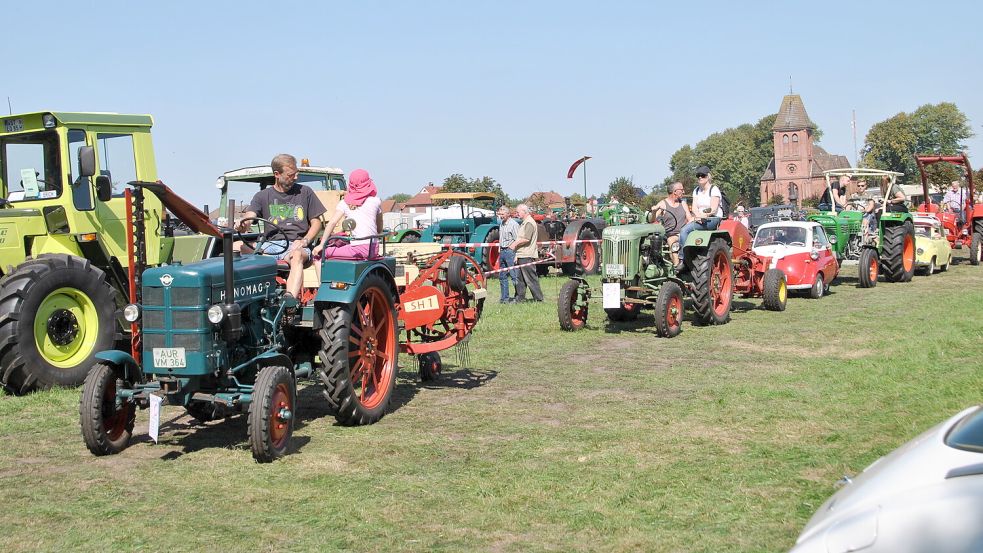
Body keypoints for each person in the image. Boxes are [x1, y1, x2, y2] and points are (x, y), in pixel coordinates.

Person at [237, 154, 325, 300]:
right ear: (277, 174)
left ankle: (288, 300)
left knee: (297, 255)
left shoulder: (305, 192)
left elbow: (316, 222)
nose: (296, 177)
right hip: (268, 246)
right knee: (235, 246)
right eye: (291, 175)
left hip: (295, 245)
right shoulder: (262, 196)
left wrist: (305, 241)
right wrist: (242, 224)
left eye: (297, 173)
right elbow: (249, 216)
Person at [313, 168, 383, 262]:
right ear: (368, 184)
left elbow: (332, 223)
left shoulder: (345, 203)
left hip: (359, 250)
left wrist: (321, 245)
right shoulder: (376, 201)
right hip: (374, 249)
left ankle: (322, 277)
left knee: (319, 254)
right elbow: (379, 230)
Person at [677, 165, 723, 268]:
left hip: (712, 219)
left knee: (685, 231)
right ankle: (688, 256)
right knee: (682, 231)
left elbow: (713, 209)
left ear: (708, 177)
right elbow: (694, 208)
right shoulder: (696, 190)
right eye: (698, 175)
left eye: (703, 175)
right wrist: (698, 217)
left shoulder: (714, 189)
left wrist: (703, 216)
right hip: (700, 218)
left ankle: (684, 259)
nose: (700, 178)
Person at [648, 181, 693, 265]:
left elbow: (689, 219)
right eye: (681, 190)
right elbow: (652, 220)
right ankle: (677, 266)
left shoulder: (683, 203)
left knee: (672, 239)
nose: (683, 192)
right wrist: (654, 212)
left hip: (682, 234)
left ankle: (678, 266)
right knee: (670, 239)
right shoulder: (663, 204)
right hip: (668, 234)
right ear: (675, 191)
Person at [512, 203, 544, 302]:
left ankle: (539, 299)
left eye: (518, 212)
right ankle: (519, 298)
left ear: (524, 211)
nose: (517, 214)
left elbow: (526, 239)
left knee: (531, 279)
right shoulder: (525, 222)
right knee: (520, 279)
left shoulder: (529, 222)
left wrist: (514, 244)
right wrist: (517, 255)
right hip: (522, 254)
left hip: (527, 254)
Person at [496, 205, 520, 304]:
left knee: (514, 275)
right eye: (500, 214)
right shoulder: (501, 224)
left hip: (510, 252)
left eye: (502, 214)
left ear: (508, 214)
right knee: (502, 276)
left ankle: (518, 296)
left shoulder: (514, 224)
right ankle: (504, 298)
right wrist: (499, 247)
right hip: (502, 251)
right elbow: (501, 237)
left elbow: (518, 239)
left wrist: (516, 253)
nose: (501, 216)